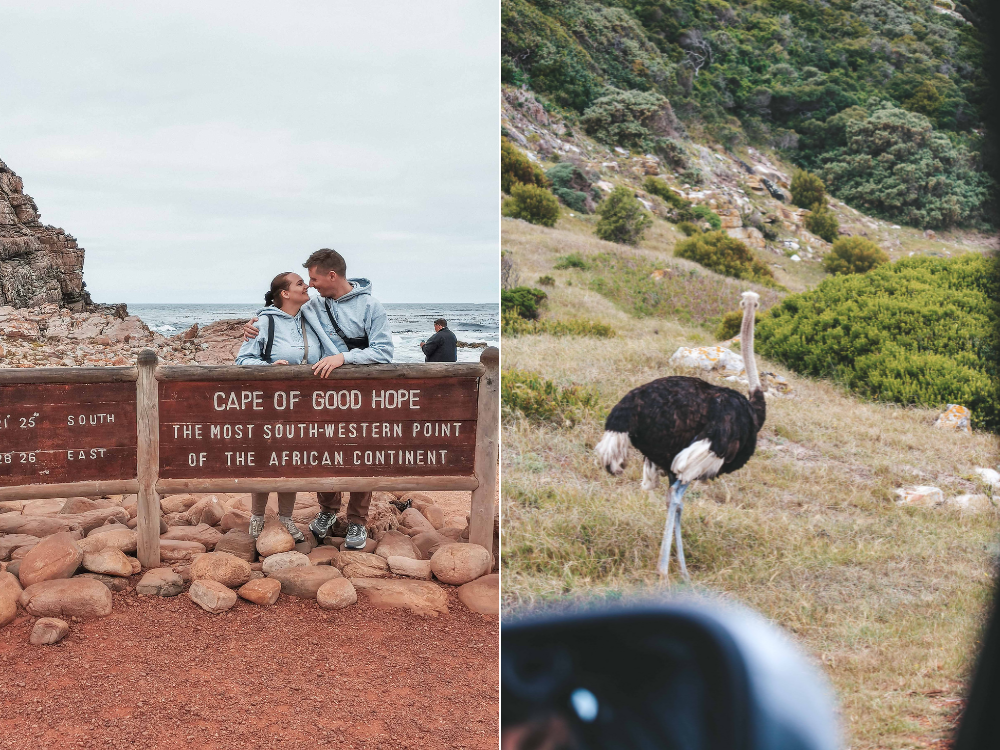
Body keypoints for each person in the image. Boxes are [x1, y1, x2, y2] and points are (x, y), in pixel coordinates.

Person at [242, 247, 393, 549]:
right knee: (323, 451)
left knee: (359, 453)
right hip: (322, 393)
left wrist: (343, 359)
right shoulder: (313, 306)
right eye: (305, 281)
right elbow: (280, 314)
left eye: (313, 279)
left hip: (358, 390)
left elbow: (385, 352)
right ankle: (327, 511)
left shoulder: (370, 306)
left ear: (332, 275)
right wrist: (253, 324)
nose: (310, 285)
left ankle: (357, 521)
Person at [236, 271, 324, 543]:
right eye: (300, 283)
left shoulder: (311, 317)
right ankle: (257, 516)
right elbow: (242, 360)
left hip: (304, 405)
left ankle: (286, 517)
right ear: (285, 293)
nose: (306, 285)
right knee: (265, 460)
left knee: (293, 461)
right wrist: (269, 369)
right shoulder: (264, 321)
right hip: (270, 405)